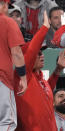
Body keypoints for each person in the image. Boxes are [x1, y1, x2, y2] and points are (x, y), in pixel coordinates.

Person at [14, 11, 65, 131]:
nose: (42, 56)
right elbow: (31, 51)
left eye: (42, 53)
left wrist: (58, 69)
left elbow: (48, 91)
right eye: (38, 53)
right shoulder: (22, 76)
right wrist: (45, 28)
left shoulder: (39, 79)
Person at [0, 0, 27, 130]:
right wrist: (23, 78)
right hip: (1, 79)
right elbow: (17, 53)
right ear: (3, 5)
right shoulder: (7, 22)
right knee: (6, 122)